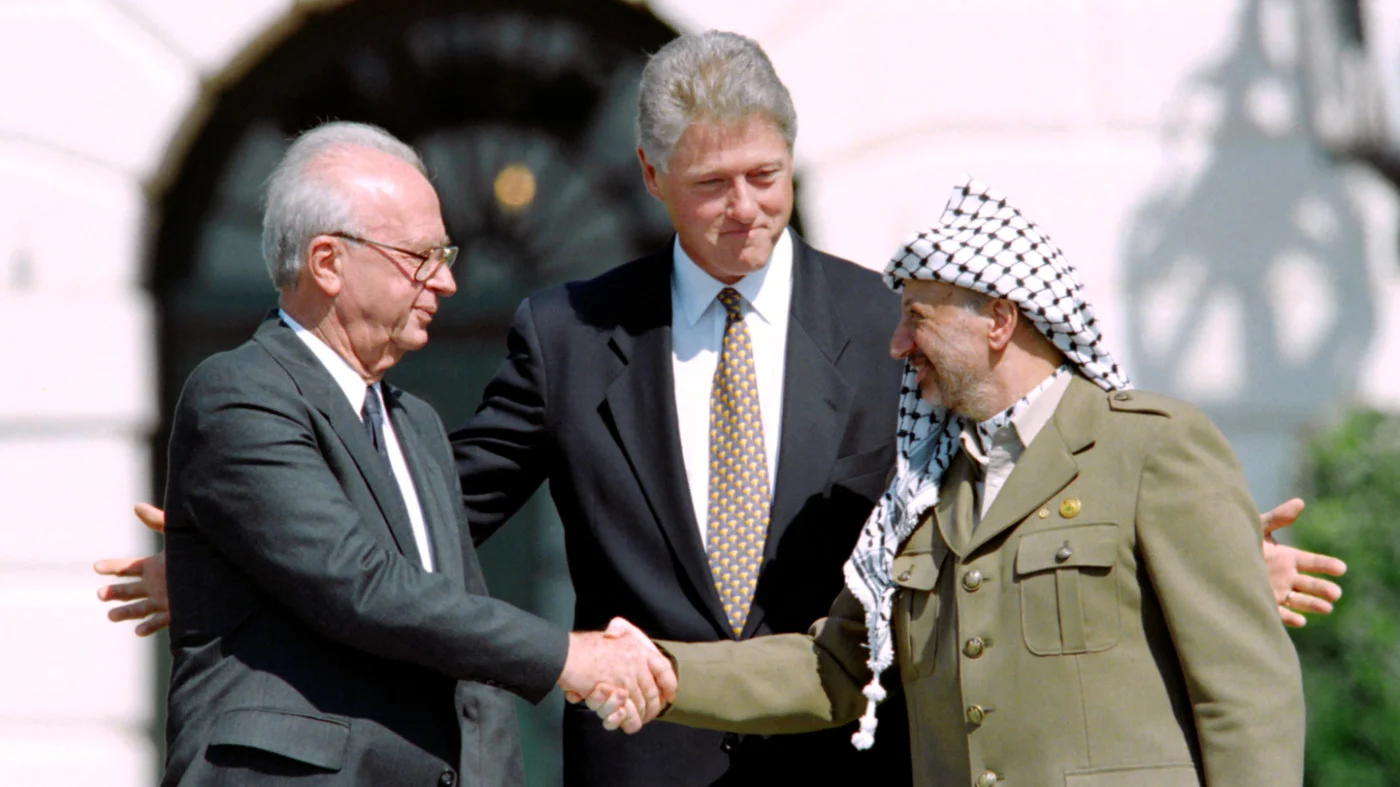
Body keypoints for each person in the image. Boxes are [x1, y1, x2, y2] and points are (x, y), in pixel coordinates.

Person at [98, 31, 1342, 786]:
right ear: (649, 180)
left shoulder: (893, 322)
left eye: (766, 177)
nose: (745, 207)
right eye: (712, 185)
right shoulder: (568, 331)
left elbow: (1021, 491)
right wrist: (242, 560)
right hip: (646, 765)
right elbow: (435, 510)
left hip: (853, 763)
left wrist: (1208, 557)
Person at [602, 177, 1307, 786]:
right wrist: (660, 670)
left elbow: (1245, 696)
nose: (897, 343)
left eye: (917, 317)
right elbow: (833, 666)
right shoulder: (920, 489)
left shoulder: (1151, 446)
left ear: (1000, 320)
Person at [154, 121, 672, 786]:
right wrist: (565, 655)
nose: (447, 281)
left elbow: (461, 656)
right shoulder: (238, 392)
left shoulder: (415, 423)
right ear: (327, 262)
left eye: (445, 253)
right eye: (419, 256)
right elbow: (358, 582)